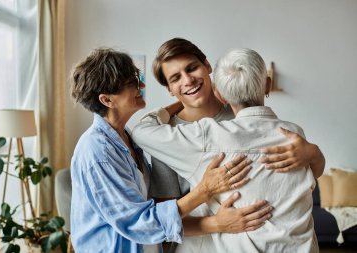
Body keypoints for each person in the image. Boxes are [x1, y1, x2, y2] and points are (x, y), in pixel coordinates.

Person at [69, 48, 273, 253]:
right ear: (107, 100)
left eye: (137, 78)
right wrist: (206, 192)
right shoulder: (98, 153)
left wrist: (190, 97)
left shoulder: (125, 138)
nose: (142, 85)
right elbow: (140, 223)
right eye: (132, 84)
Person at [132, 48, 324, 252]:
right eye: (175, 78)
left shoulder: (204, 134)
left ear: (219, 92)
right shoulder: (293, 132)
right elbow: (166, 217)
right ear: (267, 84)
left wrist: (314, 153)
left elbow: (141, 130)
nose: (187, 80)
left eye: (191, 68)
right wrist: (215, 220)